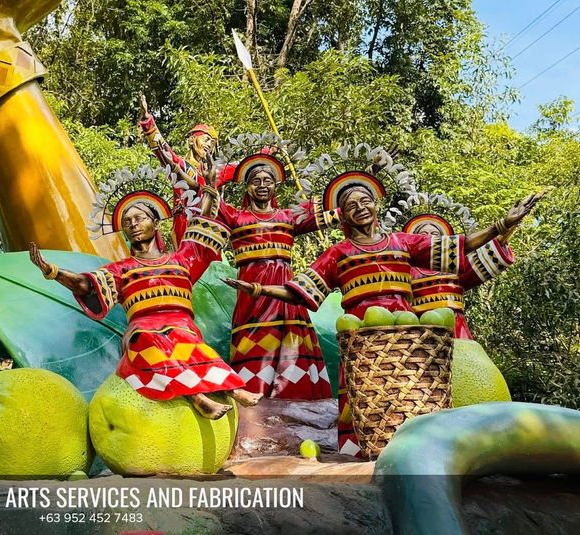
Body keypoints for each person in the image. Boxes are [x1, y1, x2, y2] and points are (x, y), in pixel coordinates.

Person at [223, 173, 545, 456]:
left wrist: (502, 225)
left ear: (375, 205)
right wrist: (258, 290)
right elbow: (300, 290)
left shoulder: (402, 242)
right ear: (345, 215)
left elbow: (458, 245)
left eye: (365, 200)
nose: (360, 207)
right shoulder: (338, 254)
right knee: (362, 406)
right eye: (351, 205)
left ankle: (422, 451)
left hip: (403, 338)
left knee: (412, 397)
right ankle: (359, 455)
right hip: (360, 341)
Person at [30, 163, 259, 419]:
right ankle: (198, 398)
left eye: (139, 218)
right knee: (149, 340)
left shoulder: (182, 260)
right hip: (143, 331)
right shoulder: (121, 270)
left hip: (182, 326)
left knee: (189, 341)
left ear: (156, 222)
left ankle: (233, 388)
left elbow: (202, 228)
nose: (133, 225)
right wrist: (52, 271)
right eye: (127, 222)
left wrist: (207, 190)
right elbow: (86, 285)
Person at [215, 152, 339, 399]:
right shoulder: (236, 217)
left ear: (275, 185)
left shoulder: (288, 217)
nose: (262, 185)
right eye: (256, 181)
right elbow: (201, 194)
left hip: (285, 295)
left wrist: (370, 174)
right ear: (247, 187)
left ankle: (298, 401)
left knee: (292, 349)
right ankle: (253, 402)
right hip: (252, 299)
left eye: (267, 180)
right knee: (253, 347)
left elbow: (339, 206)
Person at [138, 92, 234, 244]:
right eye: (206, 140)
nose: (209, 145)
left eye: (212, 143)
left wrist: (266, 153)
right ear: (191, 140)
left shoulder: (213, 171)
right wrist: (147, 121)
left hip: (207, 228)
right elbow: (162, 150)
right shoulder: (180, 165)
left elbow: (239, 167)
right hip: (184, 225)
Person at [405, 212, 515, 340]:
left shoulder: (455, 267)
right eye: (423, 234)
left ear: (443, 240)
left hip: (456, 329)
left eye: (434, 234)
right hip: (417, 331)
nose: (429, 237)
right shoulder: (406, 269)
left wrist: (510, 224)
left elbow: (490, 251)